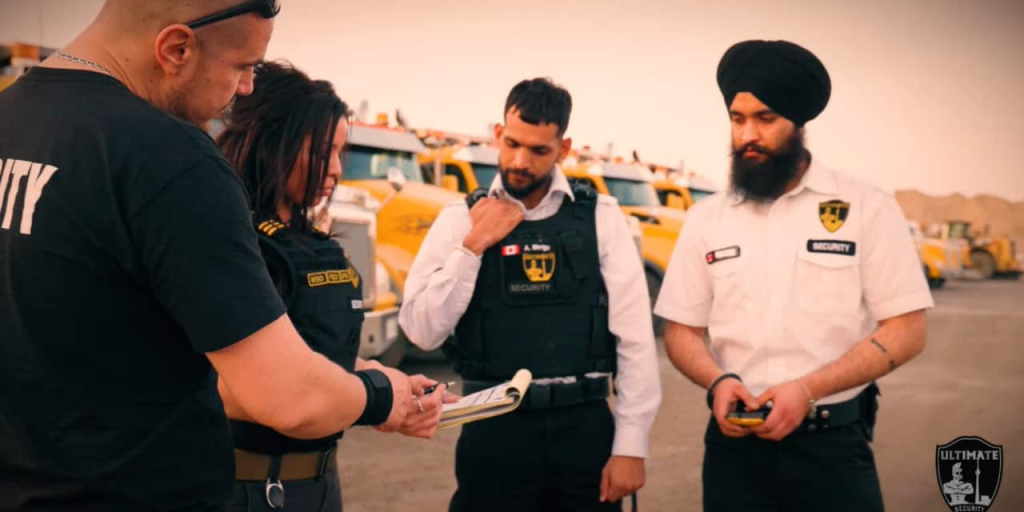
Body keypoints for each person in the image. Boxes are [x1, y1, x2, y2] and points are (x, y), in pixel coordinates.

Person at [0, 2, 415, 510]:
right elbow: (287, 397)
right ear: (176, 48)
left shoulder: (10, 117)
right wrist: (379, 393)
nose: (245, 90)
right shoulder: (171, 158)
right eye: (243, 68)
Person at [653, 39, 933, 511]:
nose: (748, 136)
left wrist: (807, 390)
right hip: (732, 451)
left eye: (765, 119)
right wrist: (718, 382)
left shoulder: (866, 207)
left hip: (832, 448)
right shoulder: (707, 219)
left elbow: (907, 331)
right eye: (737, 119)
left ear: (798, 124)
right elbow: (681, 329)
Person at [399, 78, 661, 511]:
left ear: (564, 147)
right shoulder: (458, 219)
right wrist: (472, 246)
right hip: (493, 428)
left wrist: (631, 445)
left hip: (584, 431)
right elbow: (421, 331)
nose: (520, 161)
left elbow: (634, 338)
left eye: (539, 150)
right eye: (513, 144)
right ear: (498, 134)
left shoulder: (602, 218)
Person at [216, 61, 453, 511]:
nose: (336, 169)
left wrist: (389, 381)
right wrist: (377, 399)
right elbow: (243, 387)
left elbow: (312, 356)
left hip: (318, 485)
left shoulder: (305, 244)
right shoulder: (232, 246)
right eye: (324, 151)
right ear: (277, 143)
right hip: (247, 490)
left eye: (341, 152)